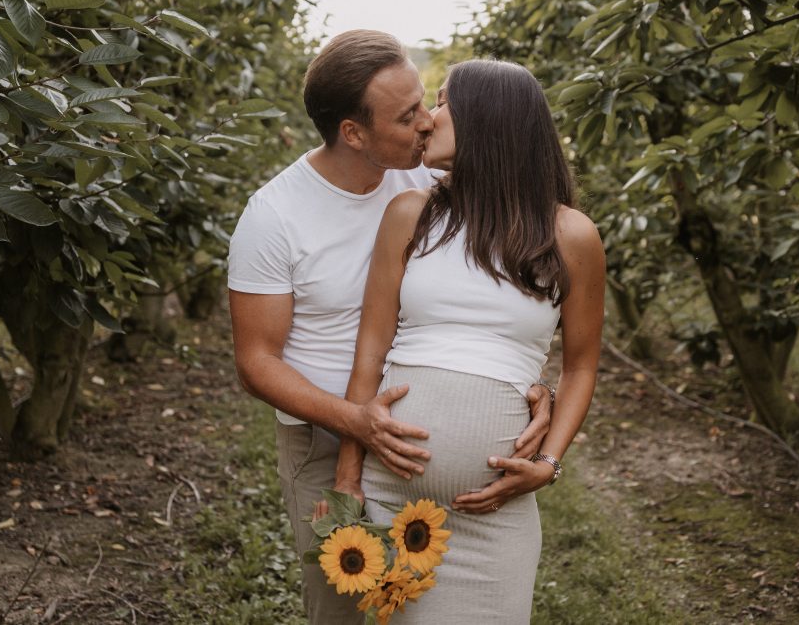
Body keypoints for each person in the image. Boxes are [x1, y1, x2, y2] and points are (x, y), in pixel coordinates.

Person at [227, 31, 553, 624]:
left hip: (420, 445)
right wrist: (358, 423)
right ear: (354, 132)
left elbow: (501, 294)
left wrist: (529, 389)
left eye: (428, 101)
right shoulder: (274, 217)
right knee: (349, 607)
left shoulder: (427, 179)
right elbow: (256, 362)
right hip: (327, 443)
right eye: (407, 116)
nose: (428, 122)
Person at [326, 59, 605, 623]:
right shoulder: (411, 215)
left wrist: (549, 464)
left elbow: (579, 367)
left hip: (494, 520)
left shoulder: (570, 234)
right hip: (389, 495)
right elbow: (371, 353)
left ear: (488, 120)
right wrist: (347, 474)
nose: (427, 119)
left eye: (443, 102)